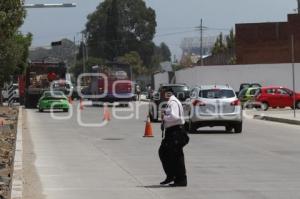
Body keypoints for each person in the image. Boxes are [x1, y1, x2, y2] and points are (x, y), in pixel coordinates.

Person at [159, 87, 189, 187]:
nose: (162, 95)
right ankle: (172, 176)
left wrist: (164, 117)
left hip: (176, 132)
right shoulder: (171, 102)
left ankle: (180, 179)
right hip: (172, 132)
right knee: (165, 153)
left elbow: (174, 117)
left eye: (163, 93)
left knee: (176, 156)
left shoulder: (173, 102)